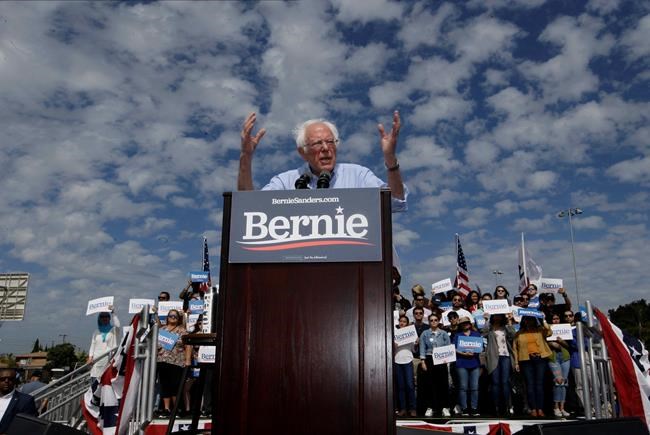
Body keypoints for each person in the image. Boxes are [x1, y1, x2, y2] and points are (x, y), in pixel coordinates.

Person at [237, 111, 408, 210]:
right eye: (318, 143)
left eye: (330, 141)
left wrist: (390, 159)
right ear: (302, 152)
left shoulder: (358, 175)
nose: (326, 148)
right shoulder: (285, 182)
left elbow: (395, 202)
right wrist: (246, 156)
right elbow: (250, 209)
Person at [513, 316, 552, 417]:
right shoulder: (519, 333)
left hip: (540, 358)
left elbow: (549, 332)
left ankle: (540, 409)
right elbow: (515, 349)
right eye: (527, 319)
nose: (528, 321)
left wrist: (543, 319)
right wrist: (516, 363)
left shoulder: (539, 330)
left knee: (539, 384)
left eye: (531, 319)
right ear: (524, 321)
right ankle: (533, 409)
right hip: (526, 360)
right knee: (530, 385)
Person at [156, 309, 192, 417]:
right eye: (170, 316)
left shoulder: (182, 330)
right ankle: (166, 409)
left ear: (178, 318)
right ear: (167, 317)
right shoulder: (161, 330)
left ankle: (176, 409)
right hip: (162, 361)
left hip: (176, 362)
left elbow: (188, 345)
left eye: (175, 316)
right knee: (164, 386)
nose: (173, 318)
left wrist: (188, 360)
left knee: (175, 386)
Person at [419, 313, 451, 418]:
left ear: (438, 321)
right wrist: (423, 361)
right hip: (429, 359)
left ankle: (444, 407)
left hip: (442, 359)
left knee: (443, 383)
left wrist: (447, 360)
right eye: (431, 320)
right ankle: (430, 407)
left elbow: (448, 347)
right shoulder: (425, 333)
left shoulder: (444, 333)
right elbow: (422, 347)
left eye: (435, 320)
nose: (433, 322)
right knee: (429, 384)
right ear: (429, 322)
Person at [483, 314, 516, 417]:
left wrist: (510, 323)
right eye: (495, 316)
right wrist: (486, 320)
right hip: (493, 357)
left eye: (499, 316)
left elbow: (513, 335)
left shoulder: (505, 327)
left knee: (505, 382)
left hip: (505, 356)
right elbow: (483, 332)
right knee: (495, 382)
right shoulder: (490, 328)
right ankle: (496, 406)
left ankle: (508, 406)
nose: (497, 317)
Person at [454, 317, 482, 416]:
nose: (465, 324)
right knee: (463, 387)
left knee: (475, 387)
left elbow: (481, 348)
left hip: (475, 363)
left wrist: (475, 352)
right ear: (460, 325)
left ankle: (474, 408)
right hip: (462, 363)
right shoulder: (457, 335)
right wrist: (464, 353)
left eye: (466, 322)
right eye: (463, 323)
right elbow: (454, 348)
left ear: (470, 324)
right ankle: (464, 408)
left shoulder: (476, 334)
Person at [87, 306, 121, 382]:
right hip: (97, 362)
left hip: (108, 361)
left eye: (106, 316)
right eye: (102, 316)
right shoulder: (96, 332)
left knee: (106, 385)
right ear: (99, 318)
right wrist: (90, 357)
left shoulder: (114, 330)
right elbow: (92, 346)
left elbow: (118, 325)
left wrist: (113, 313)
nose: (104, 318)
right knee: (94, 385)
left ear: (109, 318)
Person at [547, 313, 571, 417]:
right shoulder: (547, 330)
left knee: (564, 382)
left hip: (565, 357)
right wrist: (551, 343)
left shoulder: (565, 328)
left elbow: (568, 346)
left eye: (557, 318)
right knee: (558, 381)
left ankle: (562, 408)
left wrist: (561, 342)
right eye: (554, 319)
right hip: (553, 357)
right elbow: (545, 342)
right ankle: (556, 407)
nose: (556, 320)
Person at [0, 367, 37, 433]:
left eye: (10, 379)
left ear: (15, 381)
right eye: (2, 379)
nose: (6, 381)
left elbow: (29, 426)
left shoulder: (26, 400)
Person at [394, 316, 417, 417]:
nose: (402, 323)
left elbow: (414, 349)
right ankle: (403, 409)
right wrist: (393, 345)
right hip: (397, 360)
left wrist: (416, 343)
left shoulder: (411, 333)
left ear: (407, 324)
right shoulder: (394, 333)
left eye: (404, 321)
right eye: (401, 321)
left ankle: (412, 409)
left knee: (410, 385)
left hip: (408, 360)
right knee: (401, 386)